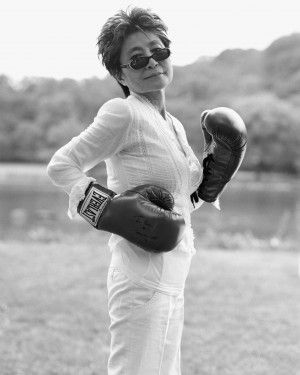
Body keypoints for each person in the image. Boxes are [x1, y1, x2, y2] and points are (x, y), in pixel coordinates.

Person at [47, 6, 246, 375]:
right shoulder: (123, 113)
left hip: (173, 275)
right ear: (119, 73)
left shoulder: (173, 125)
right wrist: (107, 210)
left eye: (160, 52)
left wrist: (210, 184)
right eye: (137, 59)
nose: (152, 62)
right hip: (139, 278)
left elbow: (177, 207)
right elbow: (61, 165)